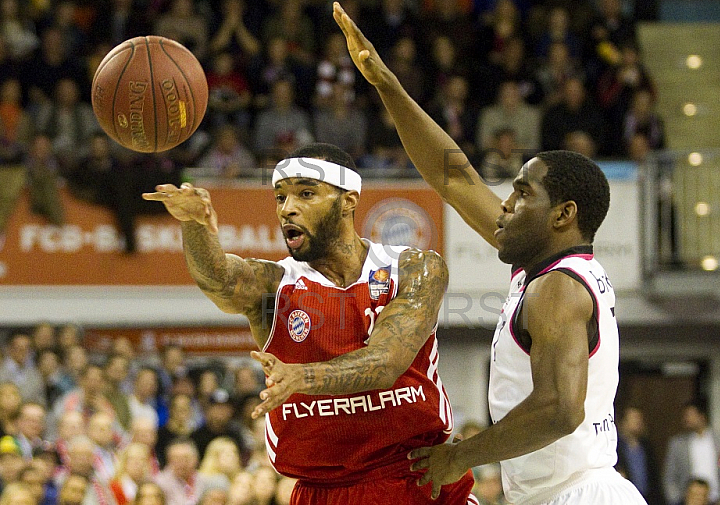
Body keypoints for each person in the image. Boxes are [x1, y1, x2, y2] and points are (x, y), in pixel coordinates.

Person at [332, 1, 646, 504]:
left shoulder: (559, 289)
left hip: (580, 495)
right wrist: (386, 85)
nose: (506, 203)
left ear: (563, 215)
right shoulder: (544, 269)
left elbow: (561, 410)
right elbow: (454, 178)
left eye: (523, 193)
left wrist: (459, 456)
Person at [143, 141, 476, 504]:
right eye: (280, 197)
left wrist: (302, 377)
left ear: (348, 200)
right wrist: (195, 225)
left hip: (416, 476)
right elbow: (220, 280)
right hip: (323, 489)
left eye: (305, 193)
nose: (288, 209)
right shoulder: (275, 285)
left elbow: (386, 362)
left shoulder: (413, 268)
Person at [662, 400, 720, 505]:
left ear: (702, 416)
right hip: (688, 501)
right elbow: (669, 476)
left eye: (690, 415)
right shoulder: (678, 443)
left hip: (717, 500)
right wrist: (676, 500)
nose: (686, 419)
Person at [616, 407, 664, 505]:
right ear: (623, 422)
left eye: (639, 419)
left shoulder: (647, 447)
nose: (637, 422)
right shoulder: (616, 447)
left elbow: (654, 477)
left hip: (647, 498)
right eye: (633, 419)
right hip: (625, 498)